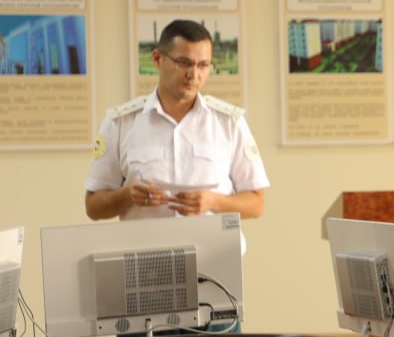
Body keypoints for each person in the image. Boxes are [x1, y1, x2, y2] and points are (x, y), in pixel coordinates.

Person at [85, 19, 268, 221]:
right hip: (149, 243)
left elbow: (256, 203)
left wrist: (213, 202)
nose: (193, 74)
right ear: (157, 59)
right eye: (184, 63)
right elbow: (93, 207)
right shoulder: (120, 123)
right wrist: (127, 195)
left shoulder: (229, 122)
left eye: (203, 65)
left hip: (212, 243)